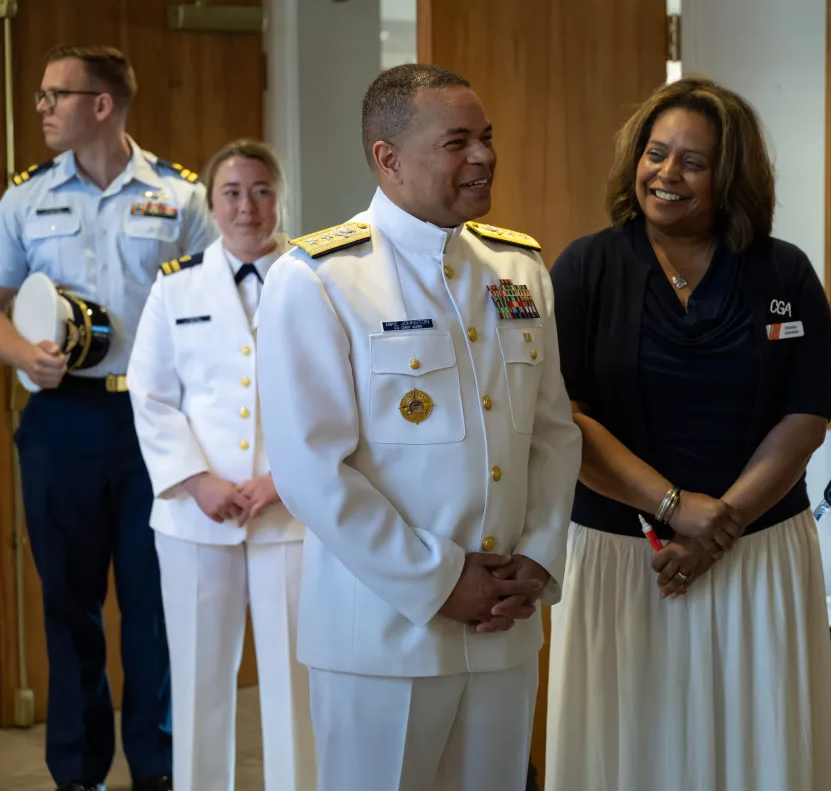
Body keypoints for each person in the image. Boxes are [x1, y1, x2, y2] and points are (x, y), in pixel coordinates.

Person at [254, 63, 582, 791]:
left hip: (505, 626)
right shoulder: (319, 279)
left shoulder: (518, 267)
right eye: (458, 141)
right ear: (388, 158)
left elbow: (554, 432)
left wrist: (539, 557)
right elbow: (312, 470)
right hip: (381, 635)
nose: (485, 157)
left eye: (487, 138)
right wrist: (440, 579)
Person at [544, 76, 831, 791]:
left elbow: (803, 417)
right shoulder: (585, 268)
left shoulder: (784, 272)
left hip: (757, 551)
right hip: (625, 558)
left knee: (758, 752)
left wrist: (723, 520)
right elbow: (565, 419)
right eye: (656, 153)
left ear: (729, 175)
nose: (666, 174)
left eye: (693, 162)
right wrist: (681, 509)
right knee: (630, 751)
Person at [0, 45, 214, 791]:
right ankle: (78, 773)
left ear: (101, 103)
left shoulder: (183, 197)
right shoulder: (22, 199)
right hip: (61, 420)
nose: (41, 108)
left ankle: (160, 770)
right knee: (69, 603)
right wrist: (23, 352)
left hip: (156, 424)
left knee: (156, 606)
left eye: (54, 94)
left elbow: (218, 303)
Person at [126, 139, 316, 791]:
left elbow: (334, 392)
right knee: (200, 678)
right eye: (232, 192)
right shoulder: (175, 285)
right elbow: (148, 391)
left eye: (261, 189)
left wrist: (287, 479)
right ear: (210, 203)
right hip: (194, 515)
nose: (247, 206)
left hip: (290, 511)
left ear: (279, 196)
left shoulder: (314, 277)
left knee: (297, 679)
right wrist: (198, 480)